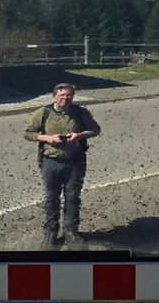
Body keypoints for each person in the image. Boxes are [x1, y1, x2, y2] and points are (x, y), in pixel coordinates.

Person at [23, 82, 101, 248]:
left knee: (72, 197)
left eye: (69, 96)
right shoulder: (43, 113)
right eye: (62, 95)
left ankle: (71, 231)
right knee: (51, 199)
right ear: (54, 96)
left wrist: (79, 136)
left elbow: (95, 130)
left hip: (75, 162)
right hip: (50, 162)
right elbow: (28, 133)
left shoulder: (80, 113)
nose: (65, 98)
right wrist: (48, 138)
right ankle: (50, 232)